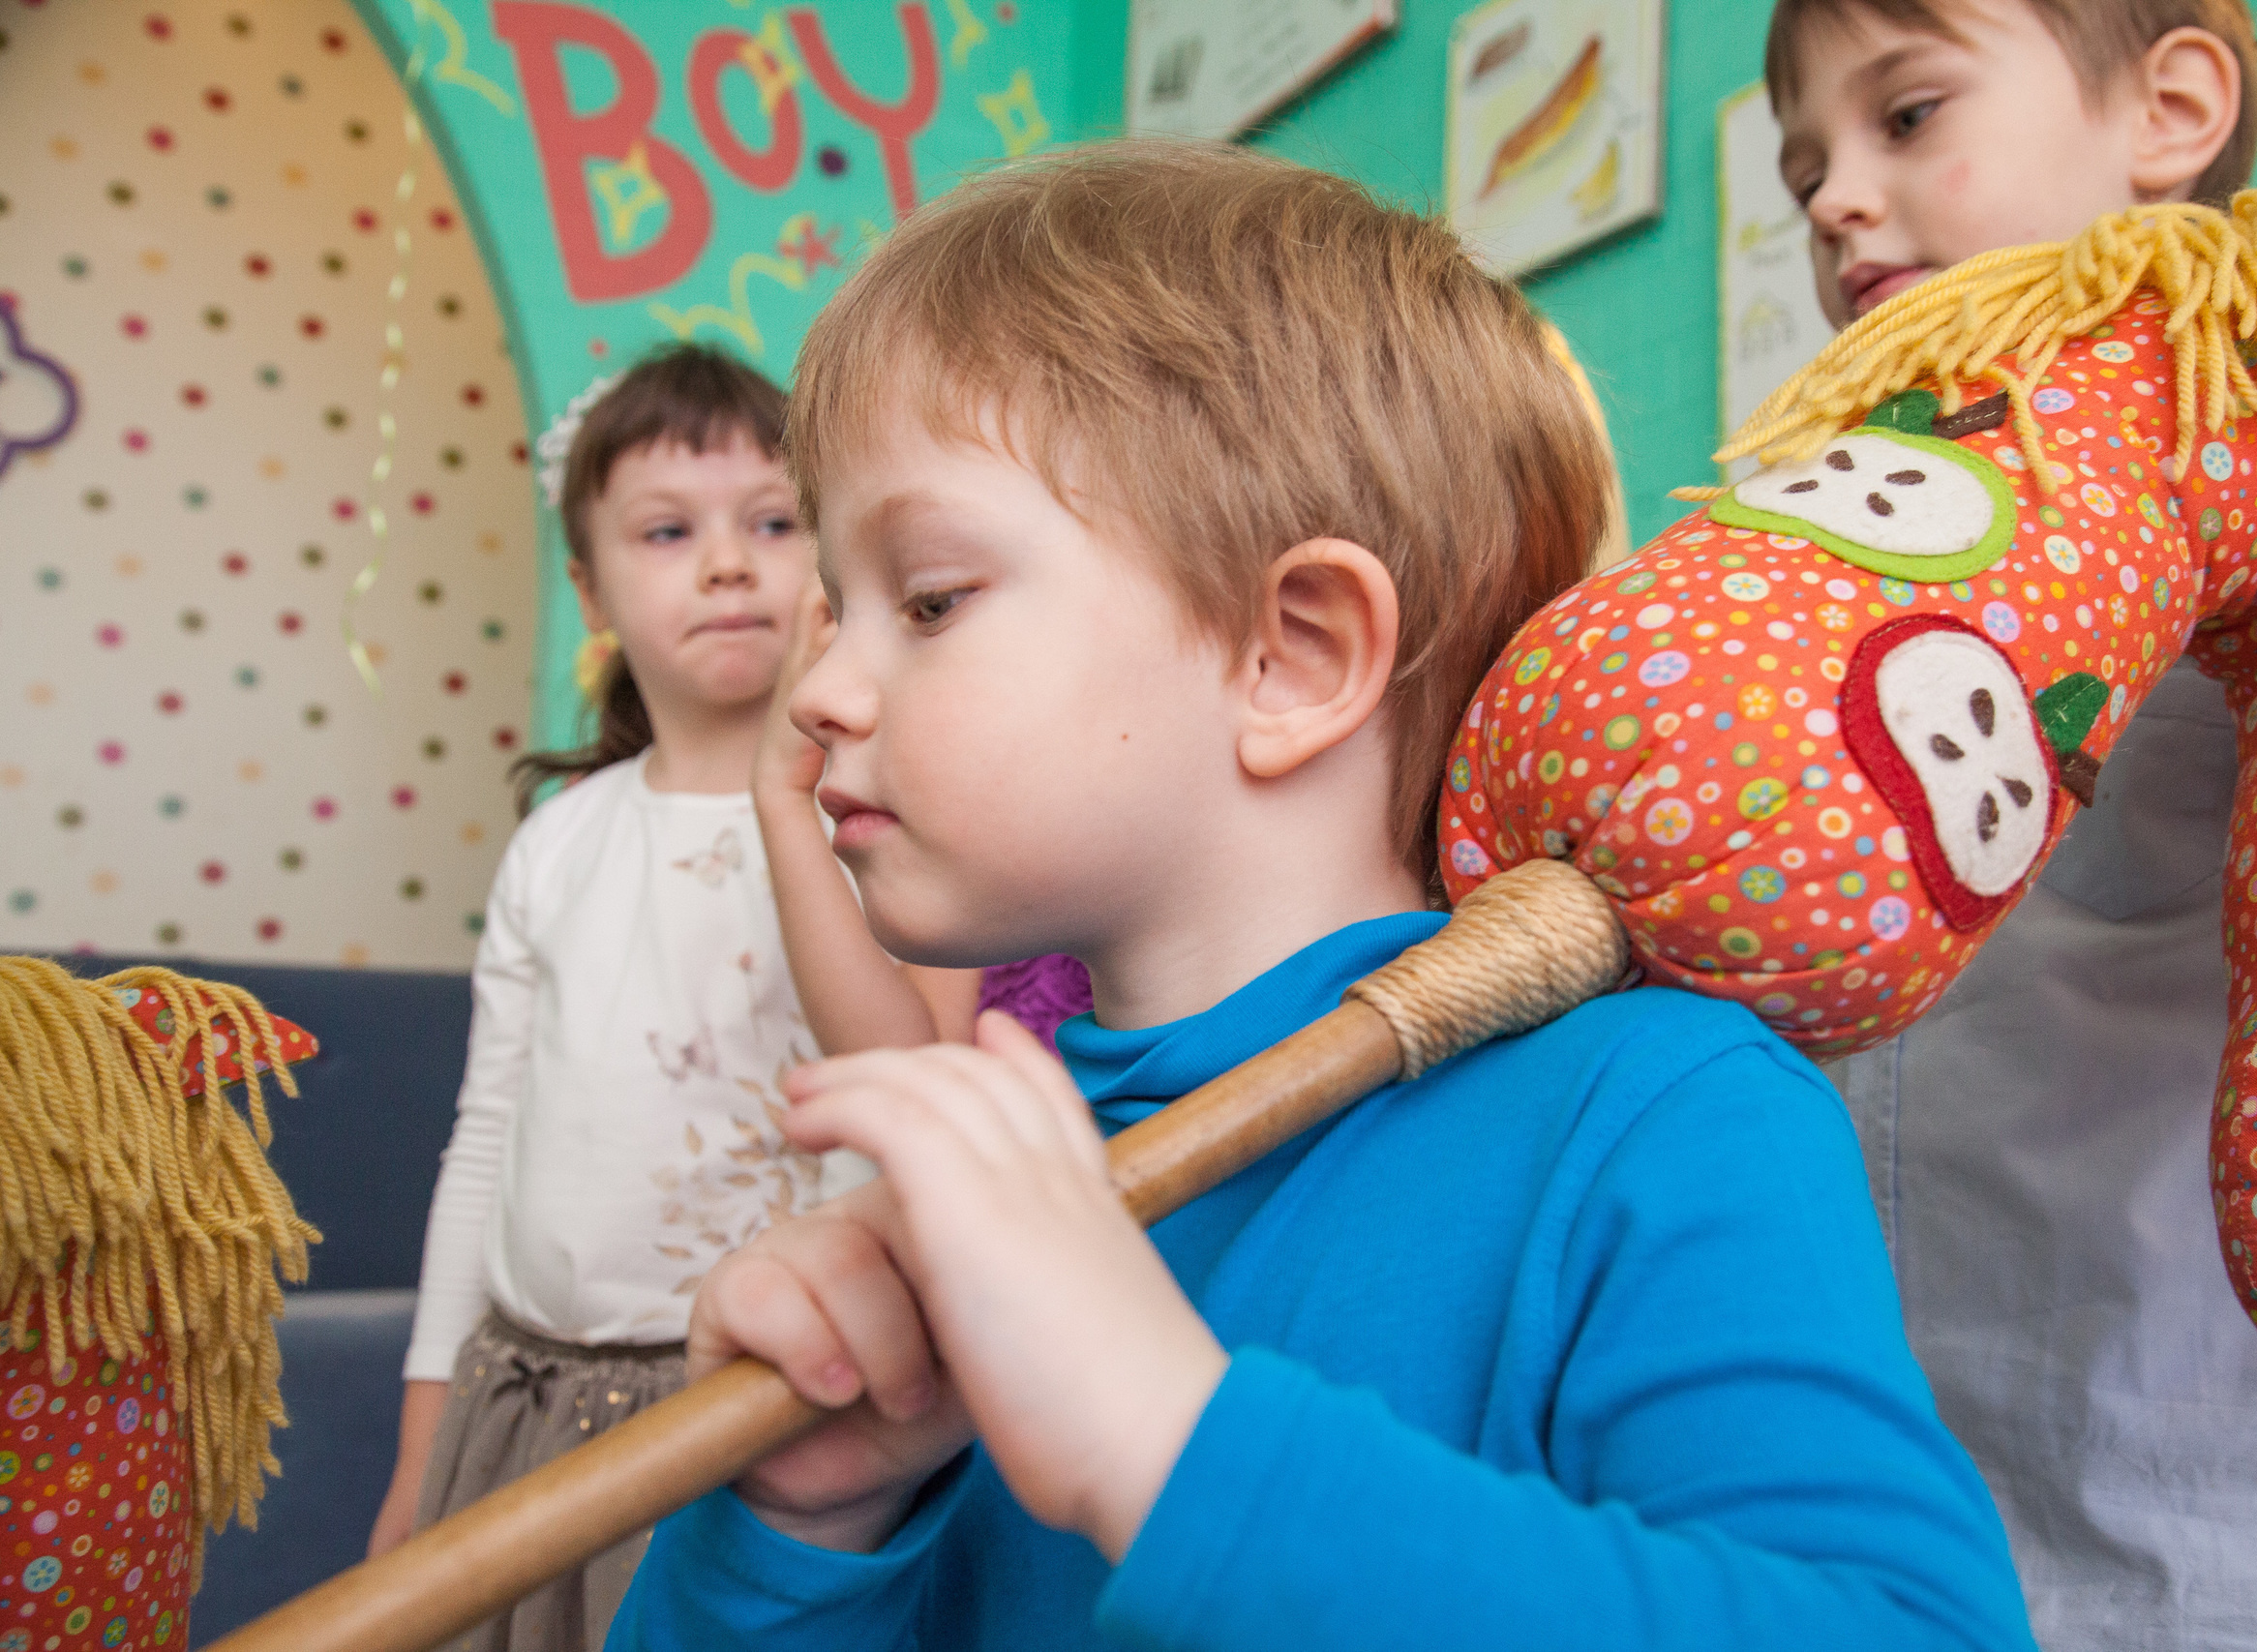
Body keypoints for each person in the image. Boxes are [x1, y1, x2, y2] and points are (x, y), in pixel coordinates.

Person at [603, 141, 2035, 1651]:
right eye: (837, 609)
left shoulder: (1657, 1117)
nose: (820, 689)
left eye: (930, 598)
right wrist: (801, 1532)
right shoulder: (1002, 1169)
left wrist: (1169, 1440)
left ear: (1293, 654)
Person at [1768, 2, 2257, 1648]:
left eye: (1908, 114)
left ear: (2170, 111)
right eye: (1805, 168)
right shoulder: (1865, 497)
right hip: (1967, 1464)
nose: (1836, 195)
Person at [369, 345, 898, 1652]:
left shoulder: (872, 820)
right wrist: (420, 1452)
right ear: (589, 585)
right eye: (669, 531)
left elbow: (897, 1086)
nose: (727, 564)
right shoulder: (559, 841)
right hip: (517, 1394)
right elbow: (486, 1142)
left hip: (751, 1406)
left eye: (772, 523)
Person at [751, 578, 1095, 1054]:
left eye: (934, 607)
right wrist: (782, 792)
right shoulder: (983, 864)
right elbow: (905, 1061)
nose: (812, 697)